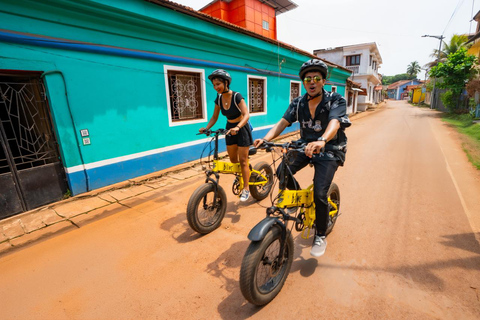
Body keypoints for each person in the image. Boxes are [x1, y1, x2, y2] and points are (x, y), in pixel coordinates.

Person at [253, 59, 351, 257]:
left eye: (316, 78)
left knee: (320, 193)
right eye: (307, 79)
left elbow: (334, 123)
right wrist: (265, 139)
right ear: (303, 82)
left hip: (330, 147)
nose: (312, 82)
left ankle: (320, 234)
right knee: (282, 171)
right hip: (305, 146)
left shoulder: (335, 100)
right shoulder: (298, 103)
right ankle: (298, 197)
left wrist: (322, 140)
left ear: (323, 81)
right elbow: (282, 122)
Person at [200, 69, 253, 202]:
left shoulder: (237, 96)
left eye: (218, 84)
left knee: (242, 161)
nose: (216, 87)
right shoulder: (218, 98)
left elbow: (246, 115)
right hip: (229, 129)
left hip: (241, 128)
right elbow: (214, 116)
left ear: (226, 82)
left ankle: (246, 188)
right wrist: (206, 128)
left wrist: (238, 127)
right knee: (233, 160)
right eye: (214, 85)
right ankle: (242, 174)